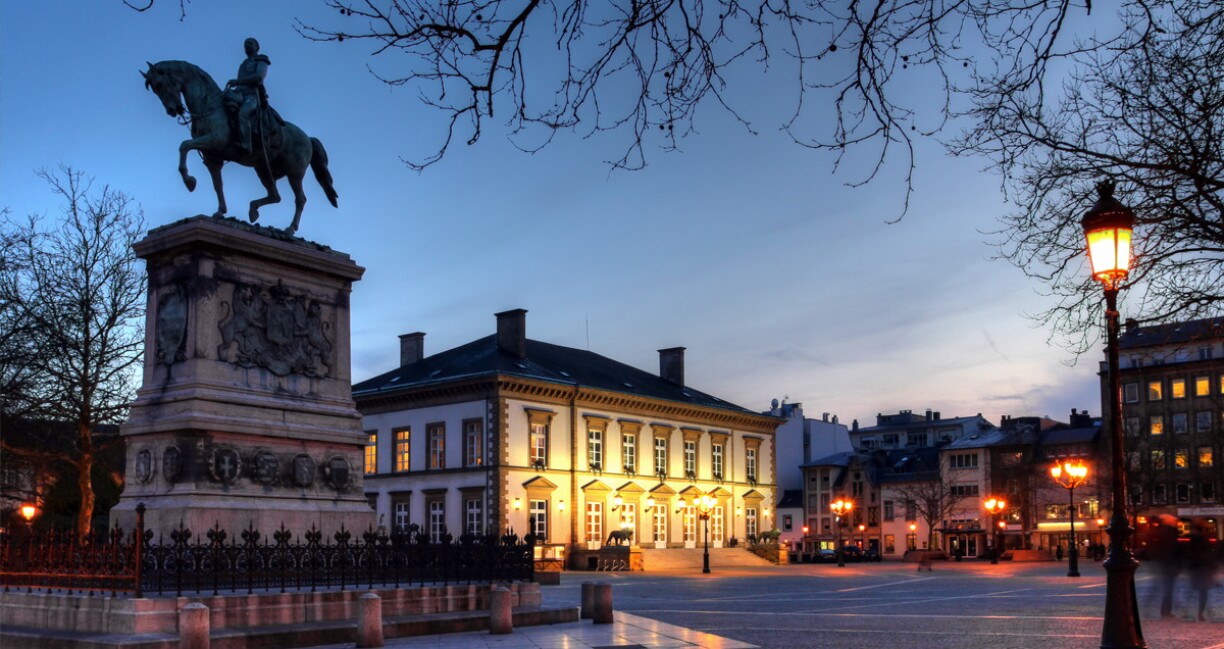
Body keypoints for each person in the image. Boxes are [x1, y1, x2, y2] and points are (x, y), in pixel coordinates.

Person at [225, 37, 270, 154]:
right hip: (240, 94)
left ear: (257, 47)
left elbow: (259, 78)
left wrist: (237, 82)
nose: (247, 45)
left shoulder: (261, 60)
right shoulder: (243, 64)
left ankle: (246, 144)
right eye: (245, 44)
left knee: (243, 113)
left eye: (250, 43)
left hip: (252, 96)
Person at [1186, 519, 1219, 621]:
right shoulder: (1204, 539)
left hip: (1195, 567)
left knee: (1194, 590)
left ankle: (1190, 610)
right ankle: (1201, 612)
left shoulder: (1190, 540)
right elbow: (1208, 554)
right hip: (1203, 568)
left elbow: (1187, 554)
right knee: (1203, 591)